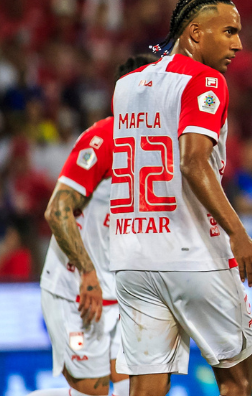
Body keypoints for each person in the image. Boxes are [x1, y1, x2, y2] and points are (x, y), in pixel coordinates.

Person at [110, 0, 252, 396]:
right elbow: (193, 161)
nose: (238, 44)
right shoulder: (205, 81)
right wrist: (239, 235)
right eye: (229, 31)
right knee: (237, 380)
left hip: (132, 258)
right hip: (193, 255)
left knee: (146, 386)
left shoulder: (126, 85)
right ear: (196, 33)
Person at [28, 54, 159, 396]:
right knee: (93, 389)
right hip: (78, 289)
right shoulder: (103, 139)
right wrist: (88, 274)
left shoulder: (165, 150)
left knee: (136, 382)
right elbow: (57, 211)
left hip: (124, 294)